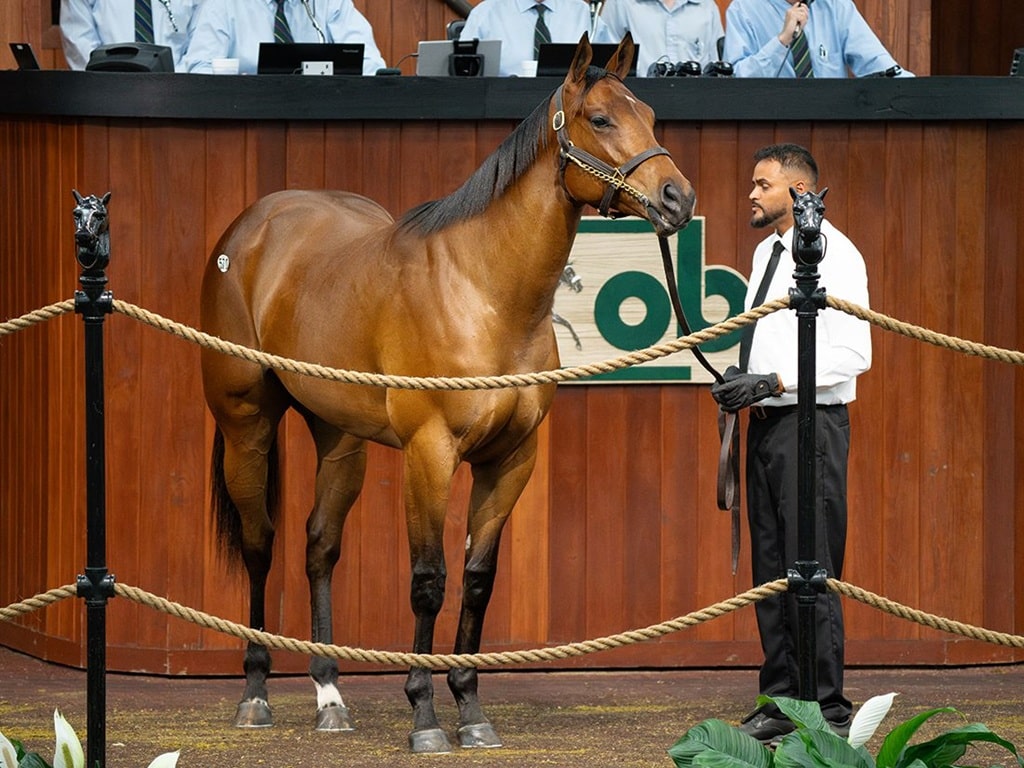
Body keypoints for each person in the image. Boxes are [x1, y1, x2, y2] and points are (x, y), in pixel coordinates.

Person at [710, 143, 871, 743]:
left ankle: (826, 708)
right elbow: (775, 337)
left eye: (762, 184)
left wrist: (774, 380)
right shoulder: (763, 252)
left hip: (813, 427)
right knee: (772, 568)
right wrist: (743, 380)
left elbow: (856, 354)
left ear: (798, 193)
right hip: (768, 425)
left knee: (814, 569)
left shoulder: (836, 253)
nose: (750, 194)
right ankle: (781, 700)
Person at [183, 0, 386, 75]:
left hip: (319, 117)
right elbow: (200, 69)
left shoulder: (327, 3)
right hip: (245, 119)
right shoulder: (223, 5)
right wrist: (240, 85)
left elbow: (369, 62)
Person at [723, 0, 913, 78]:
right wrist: (781, 42)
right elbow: (734, 80)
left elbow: (879, 64)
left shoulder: (836, 6)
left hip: (830, 130)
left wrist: (925, 93)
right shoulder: (743, 9)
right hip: (769, 129)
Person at [458, 0, 614, 77]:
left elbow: (611, 69)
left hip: (570, 115)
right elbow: (461, 73)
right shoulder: (486, 14)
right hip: (503, 112)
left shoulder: (584, 13)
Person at [60, 0, 200, 71]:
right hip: (105, 98)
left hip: (179, 99)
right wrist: (113, 84)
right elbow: (78, 39)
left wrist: (171, 86)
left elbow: (204, 49)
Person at [600, 0, 724, 76]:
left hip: (696, 103)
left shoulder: (707, 6)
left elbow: (716, 68)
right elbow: (606, 68)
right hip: (636, 105)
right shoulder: (620, 3)